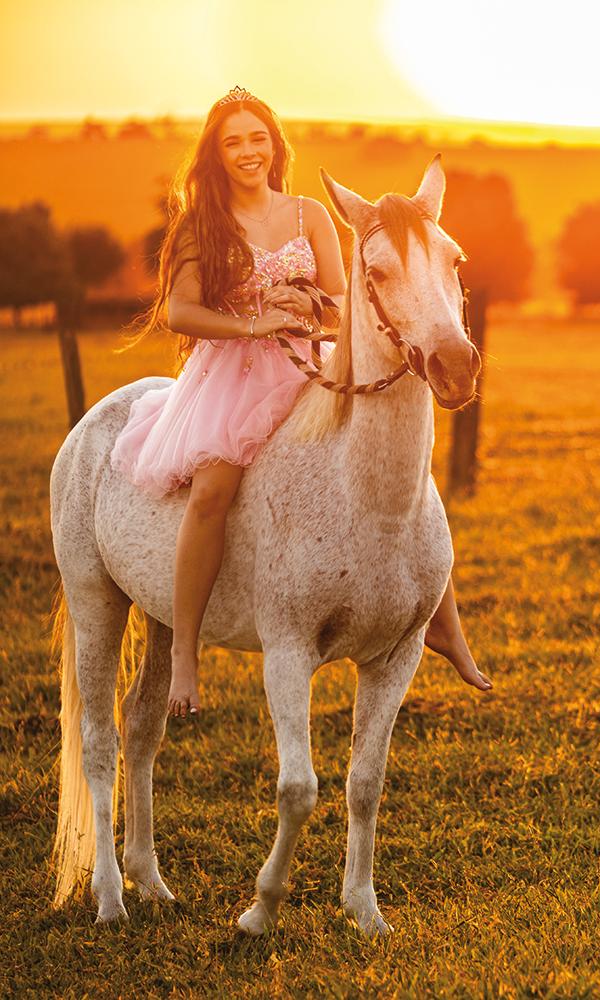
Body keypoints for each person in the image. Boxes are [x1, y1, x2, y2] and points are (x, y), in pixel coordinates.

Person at [110, 86, 491, 722]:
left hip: (308, 367)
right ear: (216, 154)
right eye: (232, 142)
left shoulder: (309, 213)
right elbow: (180, 311)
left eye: (257, 138)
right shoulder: (199, 225)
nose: (247, 152)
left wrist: (311, 309)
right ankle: (183, 654)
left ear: (274, 145)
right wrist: (256, 323)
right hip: (234, 375)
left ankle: (441, 619)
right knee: (212, 491)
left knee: (392, 464)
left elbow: (344, 304)